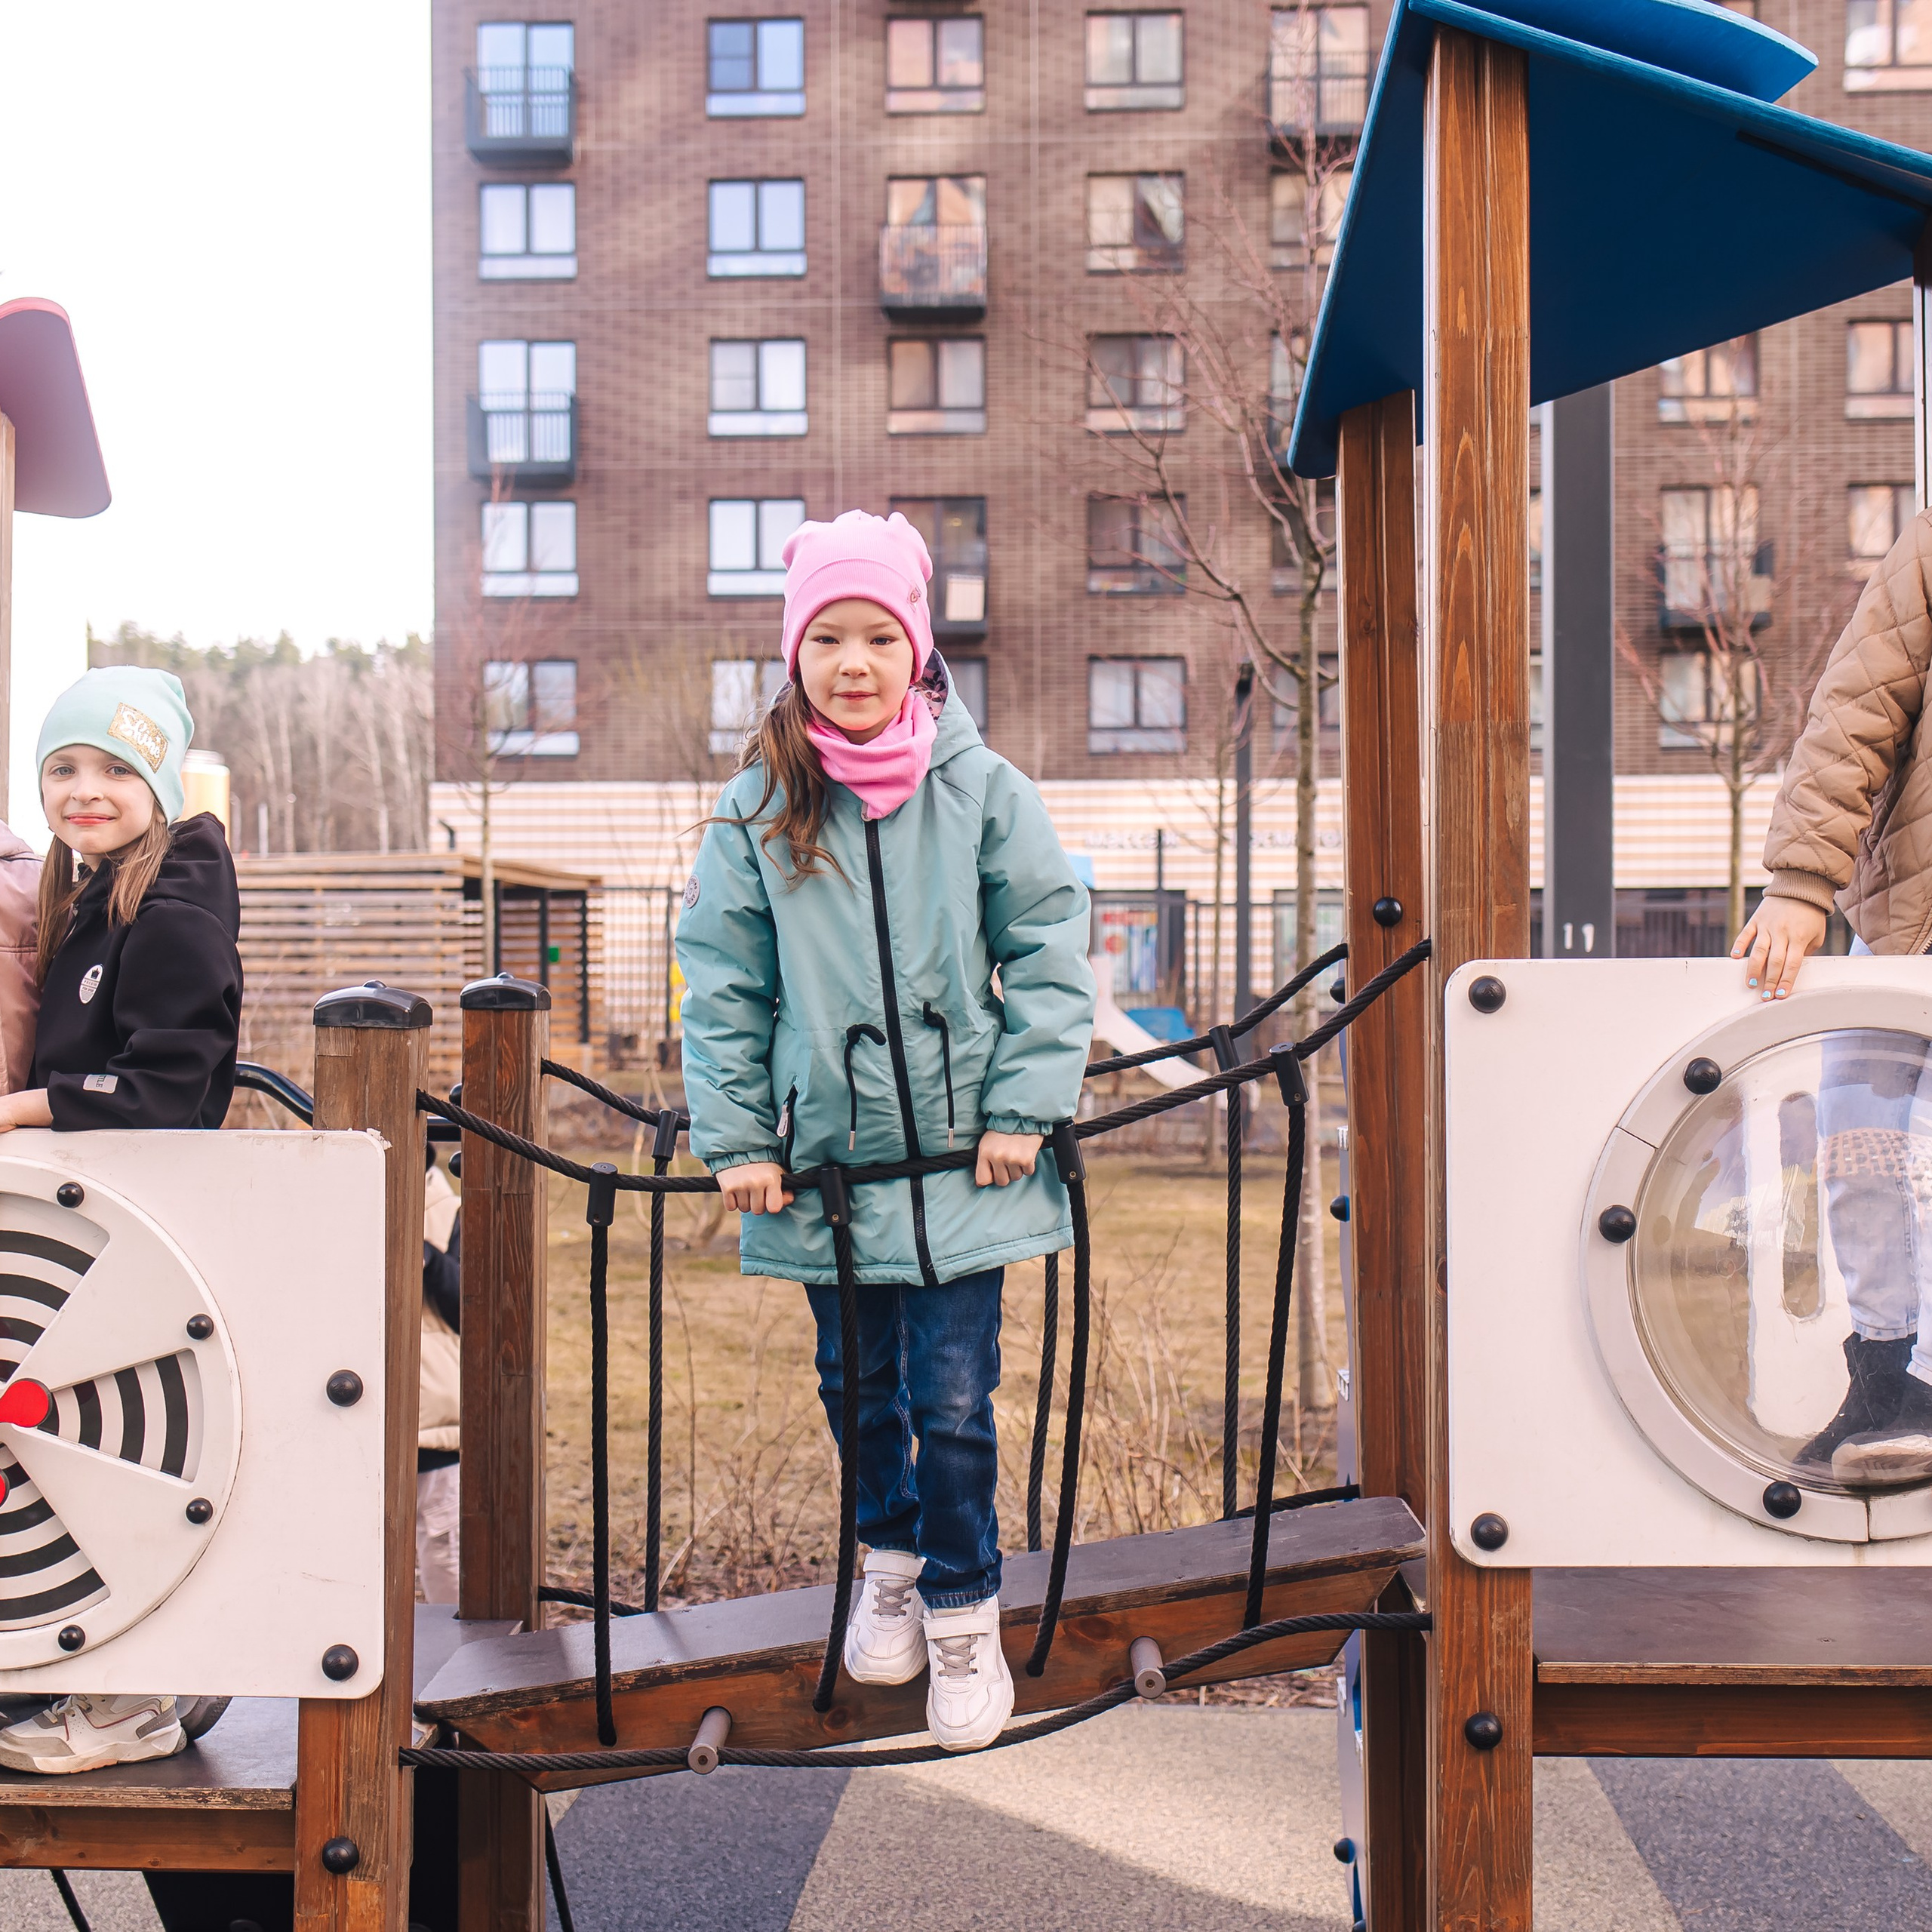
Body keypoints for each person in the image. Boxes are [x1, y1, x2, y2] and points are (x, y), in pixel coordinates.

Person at [677, 509, 1094, 1752]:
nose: (852, 663)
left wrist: (1024, 1106)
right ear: (793, 654)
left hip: (969, 1160)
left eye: (877, 636)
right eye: (827, 639)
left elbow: (1051, 948)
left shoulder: (980, 790)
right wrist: (743, 1135)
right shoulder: (760, 806)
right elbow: (723, 981)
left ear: (918, 649)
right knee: (857, 1386)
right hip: (832, 1168)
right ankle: (890, 1560)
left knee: (957, 1395)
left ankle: (966, 1611)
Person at [0, 666, 241, 1779]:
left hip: (142, 1234)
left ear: (158, 780)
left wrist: (20, 1108)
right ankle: (110, 1681)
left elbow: (167, 1086)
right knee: (70, 1459)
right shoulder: (93, 892)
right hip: (95, 1231)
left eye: (111, 768)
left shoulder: (173, 909)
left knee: (118, 1464)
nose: (83, 790)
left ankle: (134, 1699)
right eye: (62, 768)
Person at [1734, 507, 1932, 1483]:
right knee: (1862, 1145)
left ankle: (1925, 1384)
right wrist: (1803, 883)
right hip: (1910, 921)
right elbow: (1856, 709)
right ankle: (1888, 1368)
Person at [418, 1145, 463, 1602]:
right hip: (359, 1418)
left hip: (433, 1422)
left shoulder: (453, 1215)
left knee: (444, 1559)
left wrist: (428, 1258)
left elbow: (471, 1309)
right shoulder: (340, 1203)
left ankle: (463, 1665)